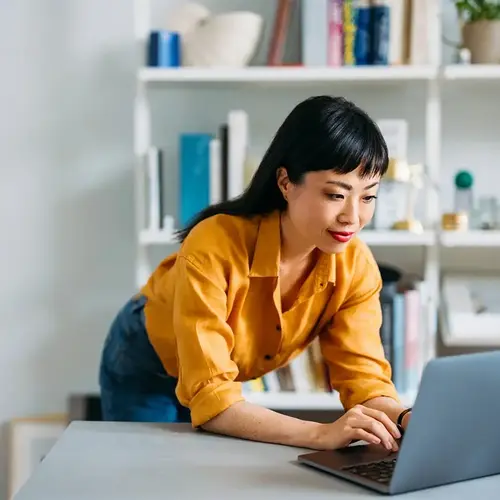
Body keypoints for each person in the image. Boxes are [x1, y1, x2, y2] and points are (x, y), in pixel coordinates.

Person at [98, 95, 411, 452]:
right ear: (285, 182)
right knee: (147, 477)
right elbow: (213, 401)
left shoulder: (356, 266)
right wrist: (321, 434)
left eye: (368, 197)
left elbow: (365, 381)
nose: (352, 217)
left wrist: (404, 418)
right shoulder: (214, 244)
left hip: (219, 371)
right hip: (148, 360)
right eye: (336, 195)